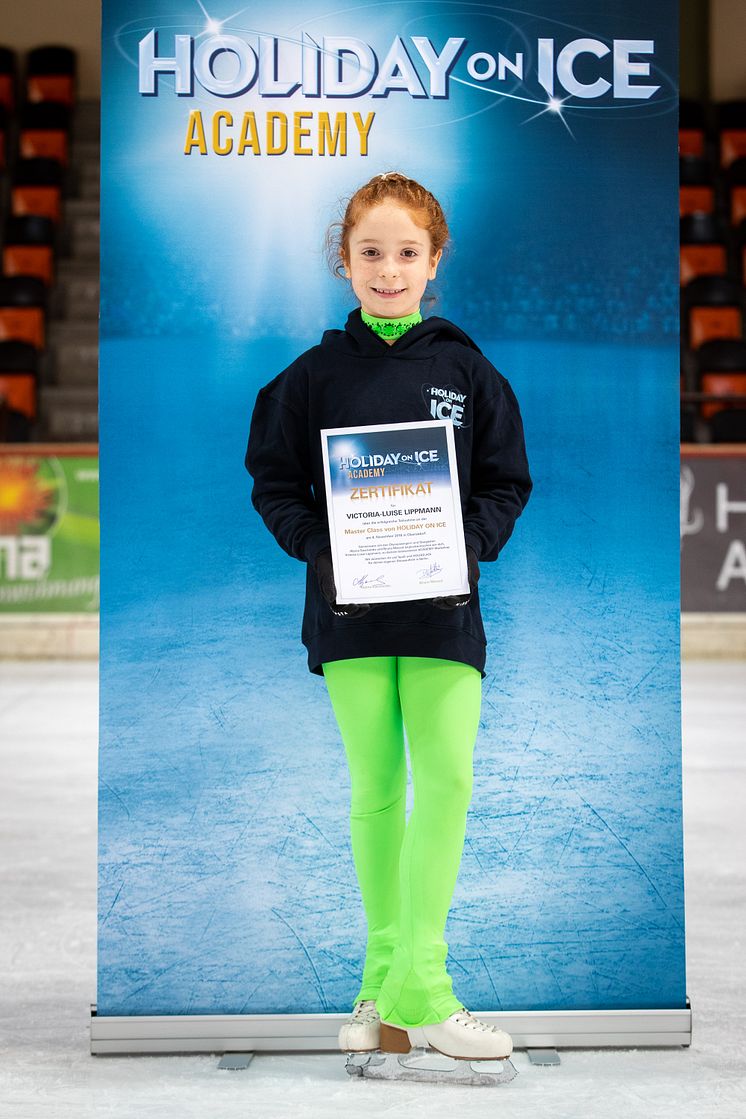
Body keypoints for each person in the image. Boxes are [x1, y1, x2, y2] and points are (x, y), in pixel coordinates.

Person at [245, 171, 532, 1066]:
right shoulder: (310, 379)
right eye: (370, 251)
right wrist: (318, 548)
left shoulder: (467, 371)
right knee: (375, 792)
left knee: (444, 784)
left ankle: (423, 988)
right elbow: (275, 480)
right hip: (352, 616)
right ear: (345, 260)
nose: (389, 268)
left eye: (407, 252)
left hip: (445, 612)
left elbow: (505, 481)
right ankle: (383, 989)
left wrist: (468, 544)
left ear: (434, 260)